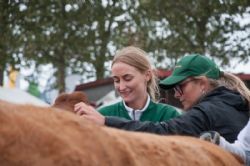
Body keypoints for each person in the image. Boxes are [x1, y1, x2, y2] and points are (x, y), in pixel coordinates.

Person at [74, 54, 249, 143]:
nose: (176, 94)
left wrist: (106, 121)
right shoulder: (236, 104)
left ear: (202, 83)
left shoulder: (205, 112)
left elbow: (162, 131)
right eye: (116, 80)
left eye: (181, 86)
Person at [75, 46, 180, 123]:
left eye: (128, 78)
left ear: (147, 75)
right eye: (116, 80)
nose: (121, 87)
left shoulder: (168, 115)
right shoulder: (102, 114)